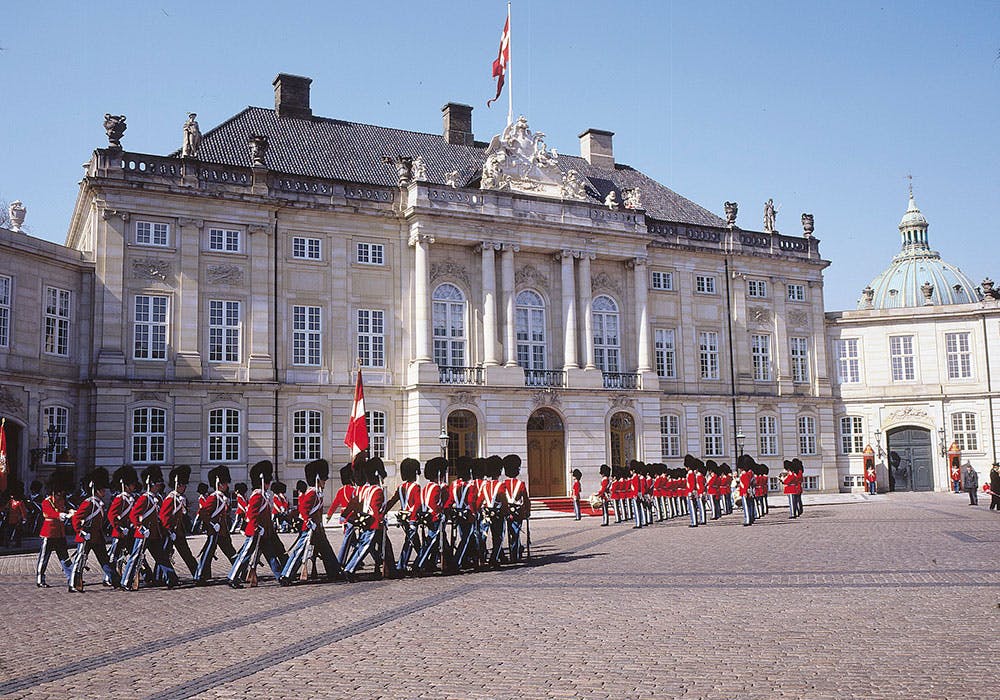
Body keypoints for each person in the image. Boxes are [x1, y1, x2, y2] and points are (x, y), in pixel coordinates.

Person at [281, 458, 342, 585]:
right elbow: (303, 509)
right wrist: (309, 522)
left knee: (327, 551)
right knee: (299, 553)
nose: (325, 481)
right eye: (323, 478)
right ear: (318, 477)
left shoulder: (318, 493)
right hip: (309, 530)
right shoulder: (312, 493)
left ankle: (335, 572)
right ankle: (286, 575)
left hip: (317, 529)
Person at [69, 467, 118, 591]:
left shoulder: (98, 503)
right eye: (102, 490)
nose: (104, 492)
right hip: (86, 535)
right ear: (96, 490)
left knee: (105, 560)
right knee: (80, 560)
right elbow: (76, 519)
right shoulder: (88, 503)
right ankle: (73, 584)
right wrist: (81, 531)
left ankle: (115, 580)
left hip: (97, 536)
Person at [194, 465, 236, 585]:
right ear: (219, 483)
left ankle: (240, 571)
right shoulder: (213, 498)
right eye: (225, 483)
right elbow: (203, 513)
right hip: (214, 531)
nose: (227, 485)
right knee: (208, 554)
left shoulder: (221, 497)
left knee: (230, 552)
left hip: (222, 531)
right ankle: (200, 576)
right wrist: (212, 524)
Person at [36, 467, 74, 588]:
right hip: (49, 534)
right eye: (59, 492)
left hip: (60, 533)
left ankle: (71, 578)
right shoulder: (47, 502)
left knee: (65, 558)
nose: (61, 494)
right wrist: (62, 515)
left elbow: (66, 509)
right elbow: (49, 514)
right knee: (44, 558)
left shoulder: (61, 500)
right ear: (54, 490)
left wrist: (72, 512)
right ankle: (40, 579)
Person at [385, 457, 422, 574]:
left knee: (415, 541)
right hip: (412, 518)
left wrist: (383, 511)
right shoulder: (416, 487)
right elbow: (418, 504)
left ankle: (422, 559)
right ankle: (402, 564)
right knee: (410, 542)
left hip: (403, 517)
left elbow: (392, 501)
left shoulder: (401, 487)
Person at [160, 465, 199, 577]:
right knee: (164, 556)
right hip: (170, 532)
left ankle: (197, 574)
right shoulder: (170, 498)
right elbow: (164, 516)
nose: (184, 487)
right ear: (178, 485)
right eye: (183, 485)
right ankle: (160, 577)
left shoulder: (180, 498)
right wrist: (169, 530)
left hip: (179, 532)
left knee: (187, 554)